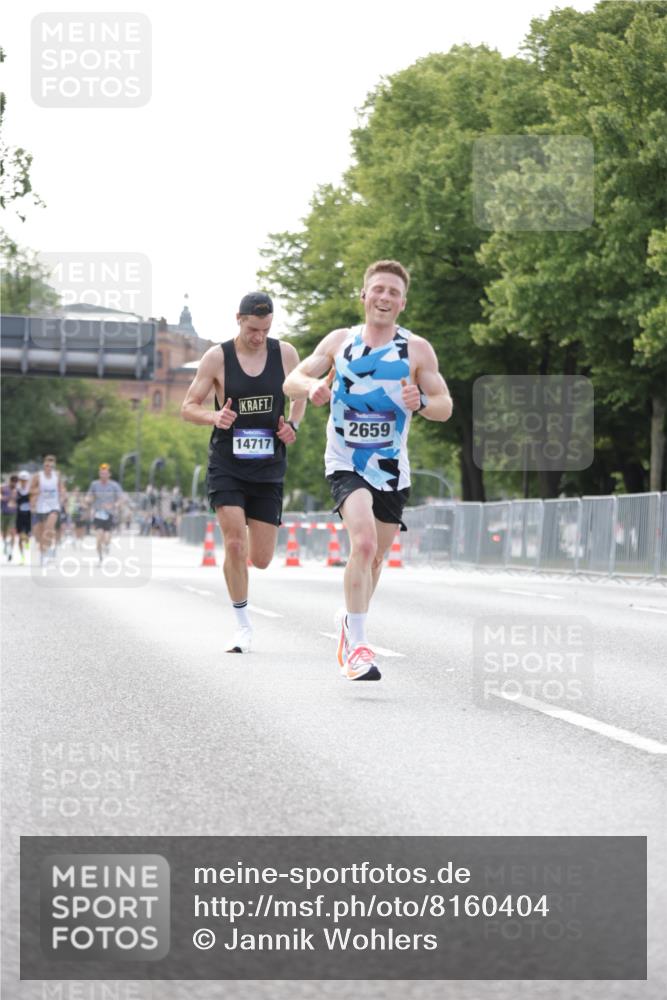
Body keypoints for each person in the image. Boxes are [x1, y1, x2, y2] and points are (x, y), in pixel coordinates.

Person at [283, 260, 453, 681]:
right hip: (345, 461)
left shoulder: (416, 350)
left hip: (392, 469)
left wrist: (422, 405)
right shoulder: (341, 342)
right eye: (378, 289)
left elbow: (445, 405)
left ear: (402, 303)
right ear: (364, 295)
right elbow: (292, 379)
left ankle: (349, 624)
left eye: (393, 292)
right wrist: (313, 387)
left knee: (376, 558)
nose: (384, 297)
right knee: (360, 546)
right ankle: (358, 646)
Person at [181, 291, 305, 653]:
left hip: (268, 465)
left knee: (262, 559)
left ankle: (243, 565)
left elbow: (299, 395)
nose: (258, 336)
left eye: (265, 329)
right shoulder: (217, 358)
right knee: (234, 541)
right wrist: (214, 416)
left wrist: (293, 426)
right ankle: (242, 625)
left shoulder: (286, 354)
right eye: (253, 329)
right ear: (239, 319)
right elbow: (189, 406)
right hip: (227, 464)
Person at [30, 455, 66, 565]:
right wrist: (37, 492)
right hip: (40, 507)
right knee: (40, 534)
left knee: (49, 529)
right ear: (43, 465)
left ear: (53, 466)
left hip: (54, 506)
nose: (49, 467)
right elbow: (31, 490)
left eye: (51, 465)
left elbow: (61, 487)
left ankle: (47, 553)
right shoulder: (37, 476)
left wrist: (63, 495)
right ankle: (43, 553)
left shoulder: (57, 475)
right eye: (46, 465)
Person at [86, 463, 124, 564]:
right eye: (101, 473)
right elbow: (89, 495)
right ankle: (100, 557)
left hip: (110, 514)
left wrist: (115, 505)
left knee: (106, 537)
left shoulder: (114, 485)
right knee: (99, 536)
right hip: (98, 513)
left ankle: (107, 545)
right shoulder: (94, 484)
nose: (103, 475)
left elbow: (121, 498)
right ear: (99, 474)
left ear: (109, 475)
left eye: (105, 473)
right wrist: (88, 499)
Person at [15, 471, 32, 564]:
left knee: (27, 535)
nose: (23, 482)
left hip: (29, 515)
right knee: (20, 537)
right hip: (19, 515)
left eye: (25, 480)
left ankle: (28, 541)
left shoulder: (31, 490)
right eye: (22, 480)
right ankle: (22, 557)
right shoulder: (17, 491)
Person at [1, 474, 18, 561]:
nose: (14, 483)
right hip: (4, 513)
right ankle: (5, 545)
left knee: (12, 532)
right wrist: (5, 497)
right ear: (10, 481)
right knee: (3, 533)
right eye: (13, 481)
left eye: (16, 482)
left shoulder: (17, 490)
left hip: (13, 514)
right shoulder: (4, 488)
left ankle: (10, 551)